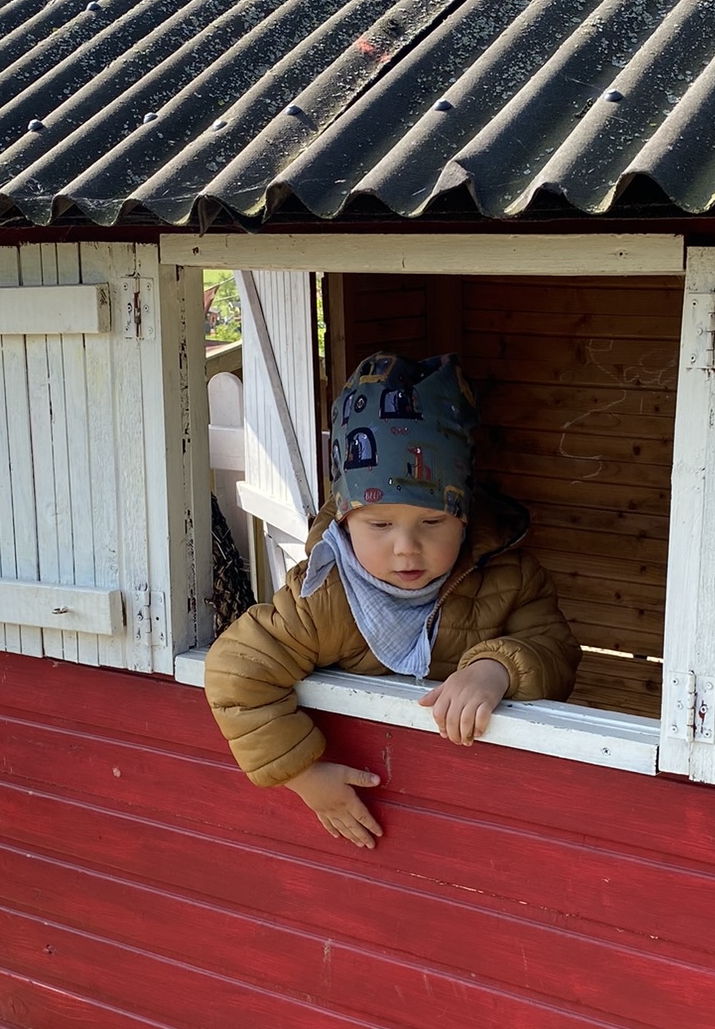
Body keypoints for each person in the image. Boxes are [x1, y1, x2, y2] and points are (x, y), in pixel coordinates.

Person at [204, 352, 580, 849]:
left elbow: (555, 647)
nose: (406, 547)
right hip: (377, 812)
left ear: (464, 517)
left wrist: (497, 668)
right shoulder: (325, 593)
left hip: (476, 809)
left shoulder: (508, 577)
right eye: (379, 525)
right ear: (343, 520)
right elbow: (237, 671)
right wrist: (303, 777)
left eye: (432, 523)